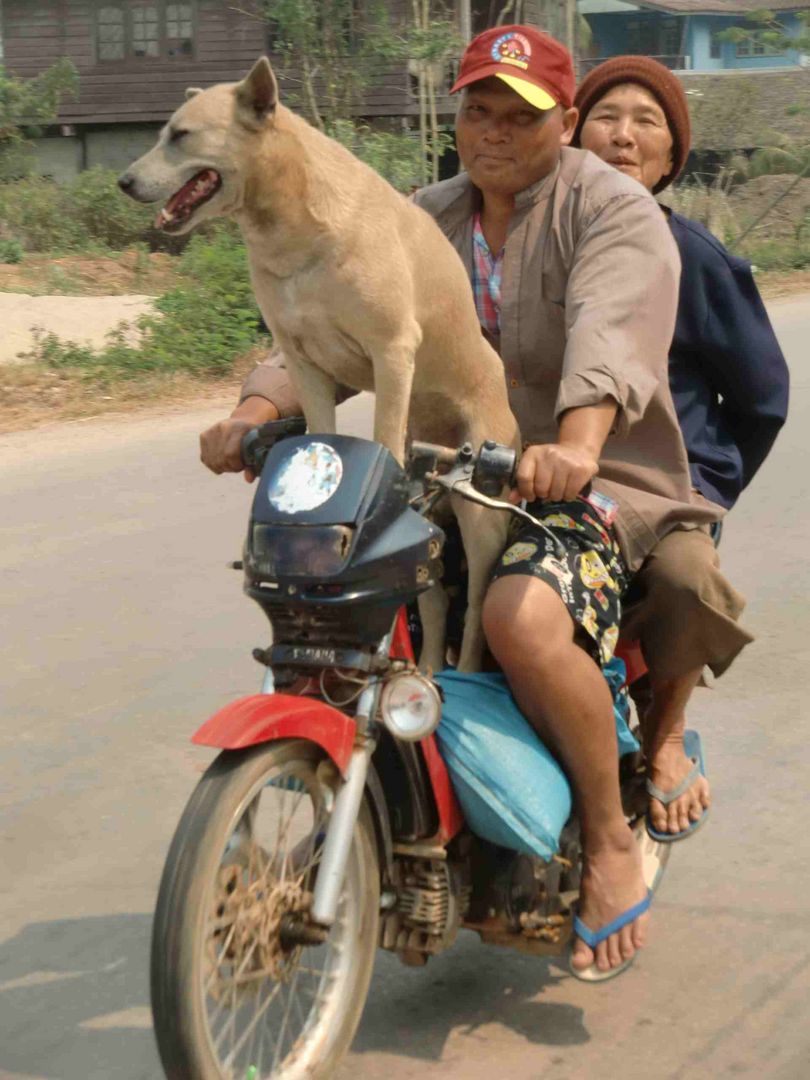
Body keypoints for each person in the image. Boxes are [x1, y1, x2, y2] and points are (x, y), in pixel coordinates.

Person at [200, 26, 722, 980]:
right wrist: (254, 407)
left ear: (564, 123)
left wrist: (574, 446)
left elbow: (608, 336)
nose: (491, 133)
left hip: (587, 484)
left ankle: (607, 838)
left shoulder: (612, 213)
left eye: (519, 117)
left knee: (517, 614)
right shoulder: (415, 212)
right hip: (439, 470)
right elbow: (323, 309)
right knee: (324, 602)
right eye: (477, 110)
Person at [572, 57, 789, 841]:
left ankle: (664, 735)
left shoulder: (696, 259)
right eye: (606, 115)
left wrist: (706, 489)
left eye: (646, 122)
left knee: (688, 577)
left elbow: (763, 397)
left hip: (656, 499)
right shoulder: (530, 237)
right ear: (570, 132)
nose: (623, 137)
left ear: (670, 159)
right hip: (542, 484)